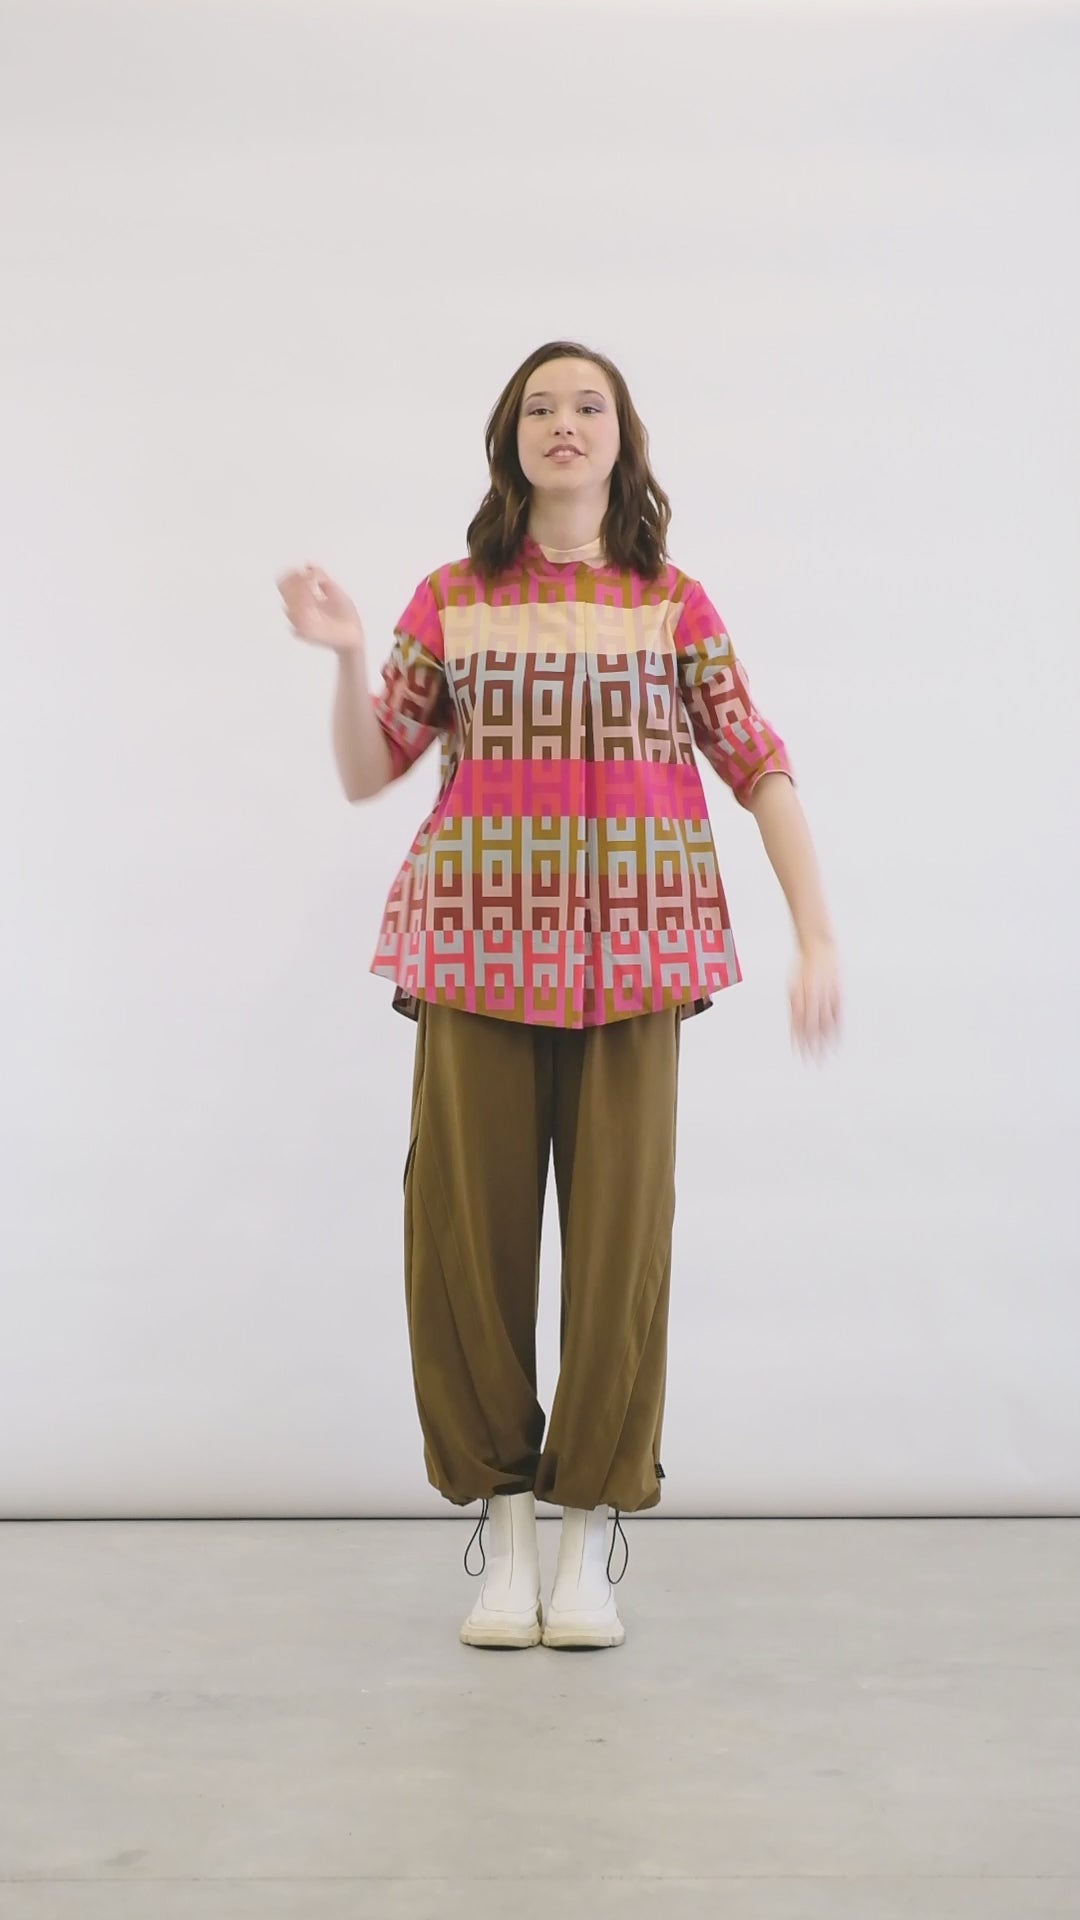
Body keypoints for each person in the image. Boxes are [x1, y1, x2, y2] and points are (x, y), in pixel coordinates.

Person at [277, 339, 842, 1652]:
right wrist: (348, 656)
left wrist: (815, 933)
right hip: (473, 953)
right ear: (510, 440)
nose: (564, 423)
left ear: (622, 437)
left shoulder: (674, 604)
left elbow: (758, 763)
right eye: (540, 407)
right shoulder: (450, 597)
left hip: (638, 961)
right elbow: (370, 769)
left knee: (621, 1246)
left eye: (589, 405)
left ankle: (588, 1537)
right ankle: (509, 1535)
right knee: (466, 1248)